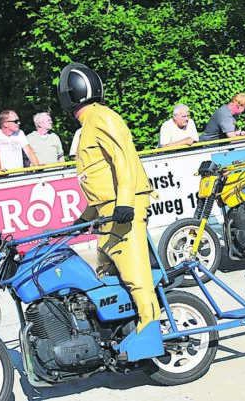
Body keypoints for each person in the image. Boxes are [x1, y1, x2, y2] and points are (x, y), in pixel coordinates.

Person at [57, 62, 162, 359]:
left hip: (123, 210)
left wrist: (126, 201)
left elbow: (124, 160)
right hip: (107, 214)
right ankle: (119, 327)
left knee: (134, 274)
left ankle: (149, 330)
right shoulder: (88, 125)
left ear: (70, 94)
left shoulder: (102, 117)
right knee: (104, 272)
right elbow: (101, 179)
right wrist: (84, 218)